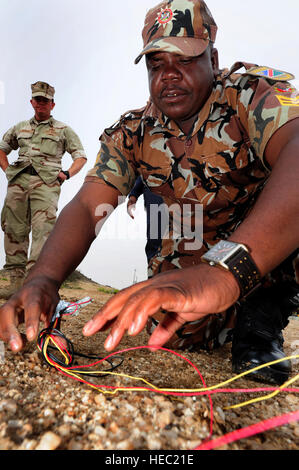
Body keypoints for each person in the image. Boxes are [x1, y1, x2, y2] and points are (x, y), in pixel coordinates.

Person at [0, 0, 299, 386]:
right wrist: (43, 278)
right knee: (173, 333)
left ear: (214, 57)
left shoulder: (250, 96)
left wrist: (226, 272)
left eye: (185, 60)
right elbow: (91, 202)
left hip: (261, 252)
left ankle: (264, 314)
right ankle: (228, 315)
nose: (169, 76)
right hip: (193, 255)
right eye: (157, 64)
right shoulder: (132, 132)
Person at [0, 81, 87, 298]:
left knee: (43, 231)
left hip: (46, 185)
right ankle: (14, 284)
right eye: (38, 100)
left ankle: (33, 284)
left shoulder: (63, 130)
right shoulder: (19, 128)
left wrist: (66, 174)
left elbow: (81, 156)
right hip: (18, 184)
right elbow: (2, 148)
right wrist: (8, 171)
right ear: (32, 102)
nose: (41, 104)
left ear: (52, 105)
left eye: (45, 101)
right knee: (13, 228)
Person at [127, 175, 164, 263]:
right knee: (154, 239)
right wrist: (132, 198)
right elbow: (138, 184)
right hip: (155, 212)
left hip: (180, 213)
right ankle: (153, 269)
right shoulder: (148, 169)